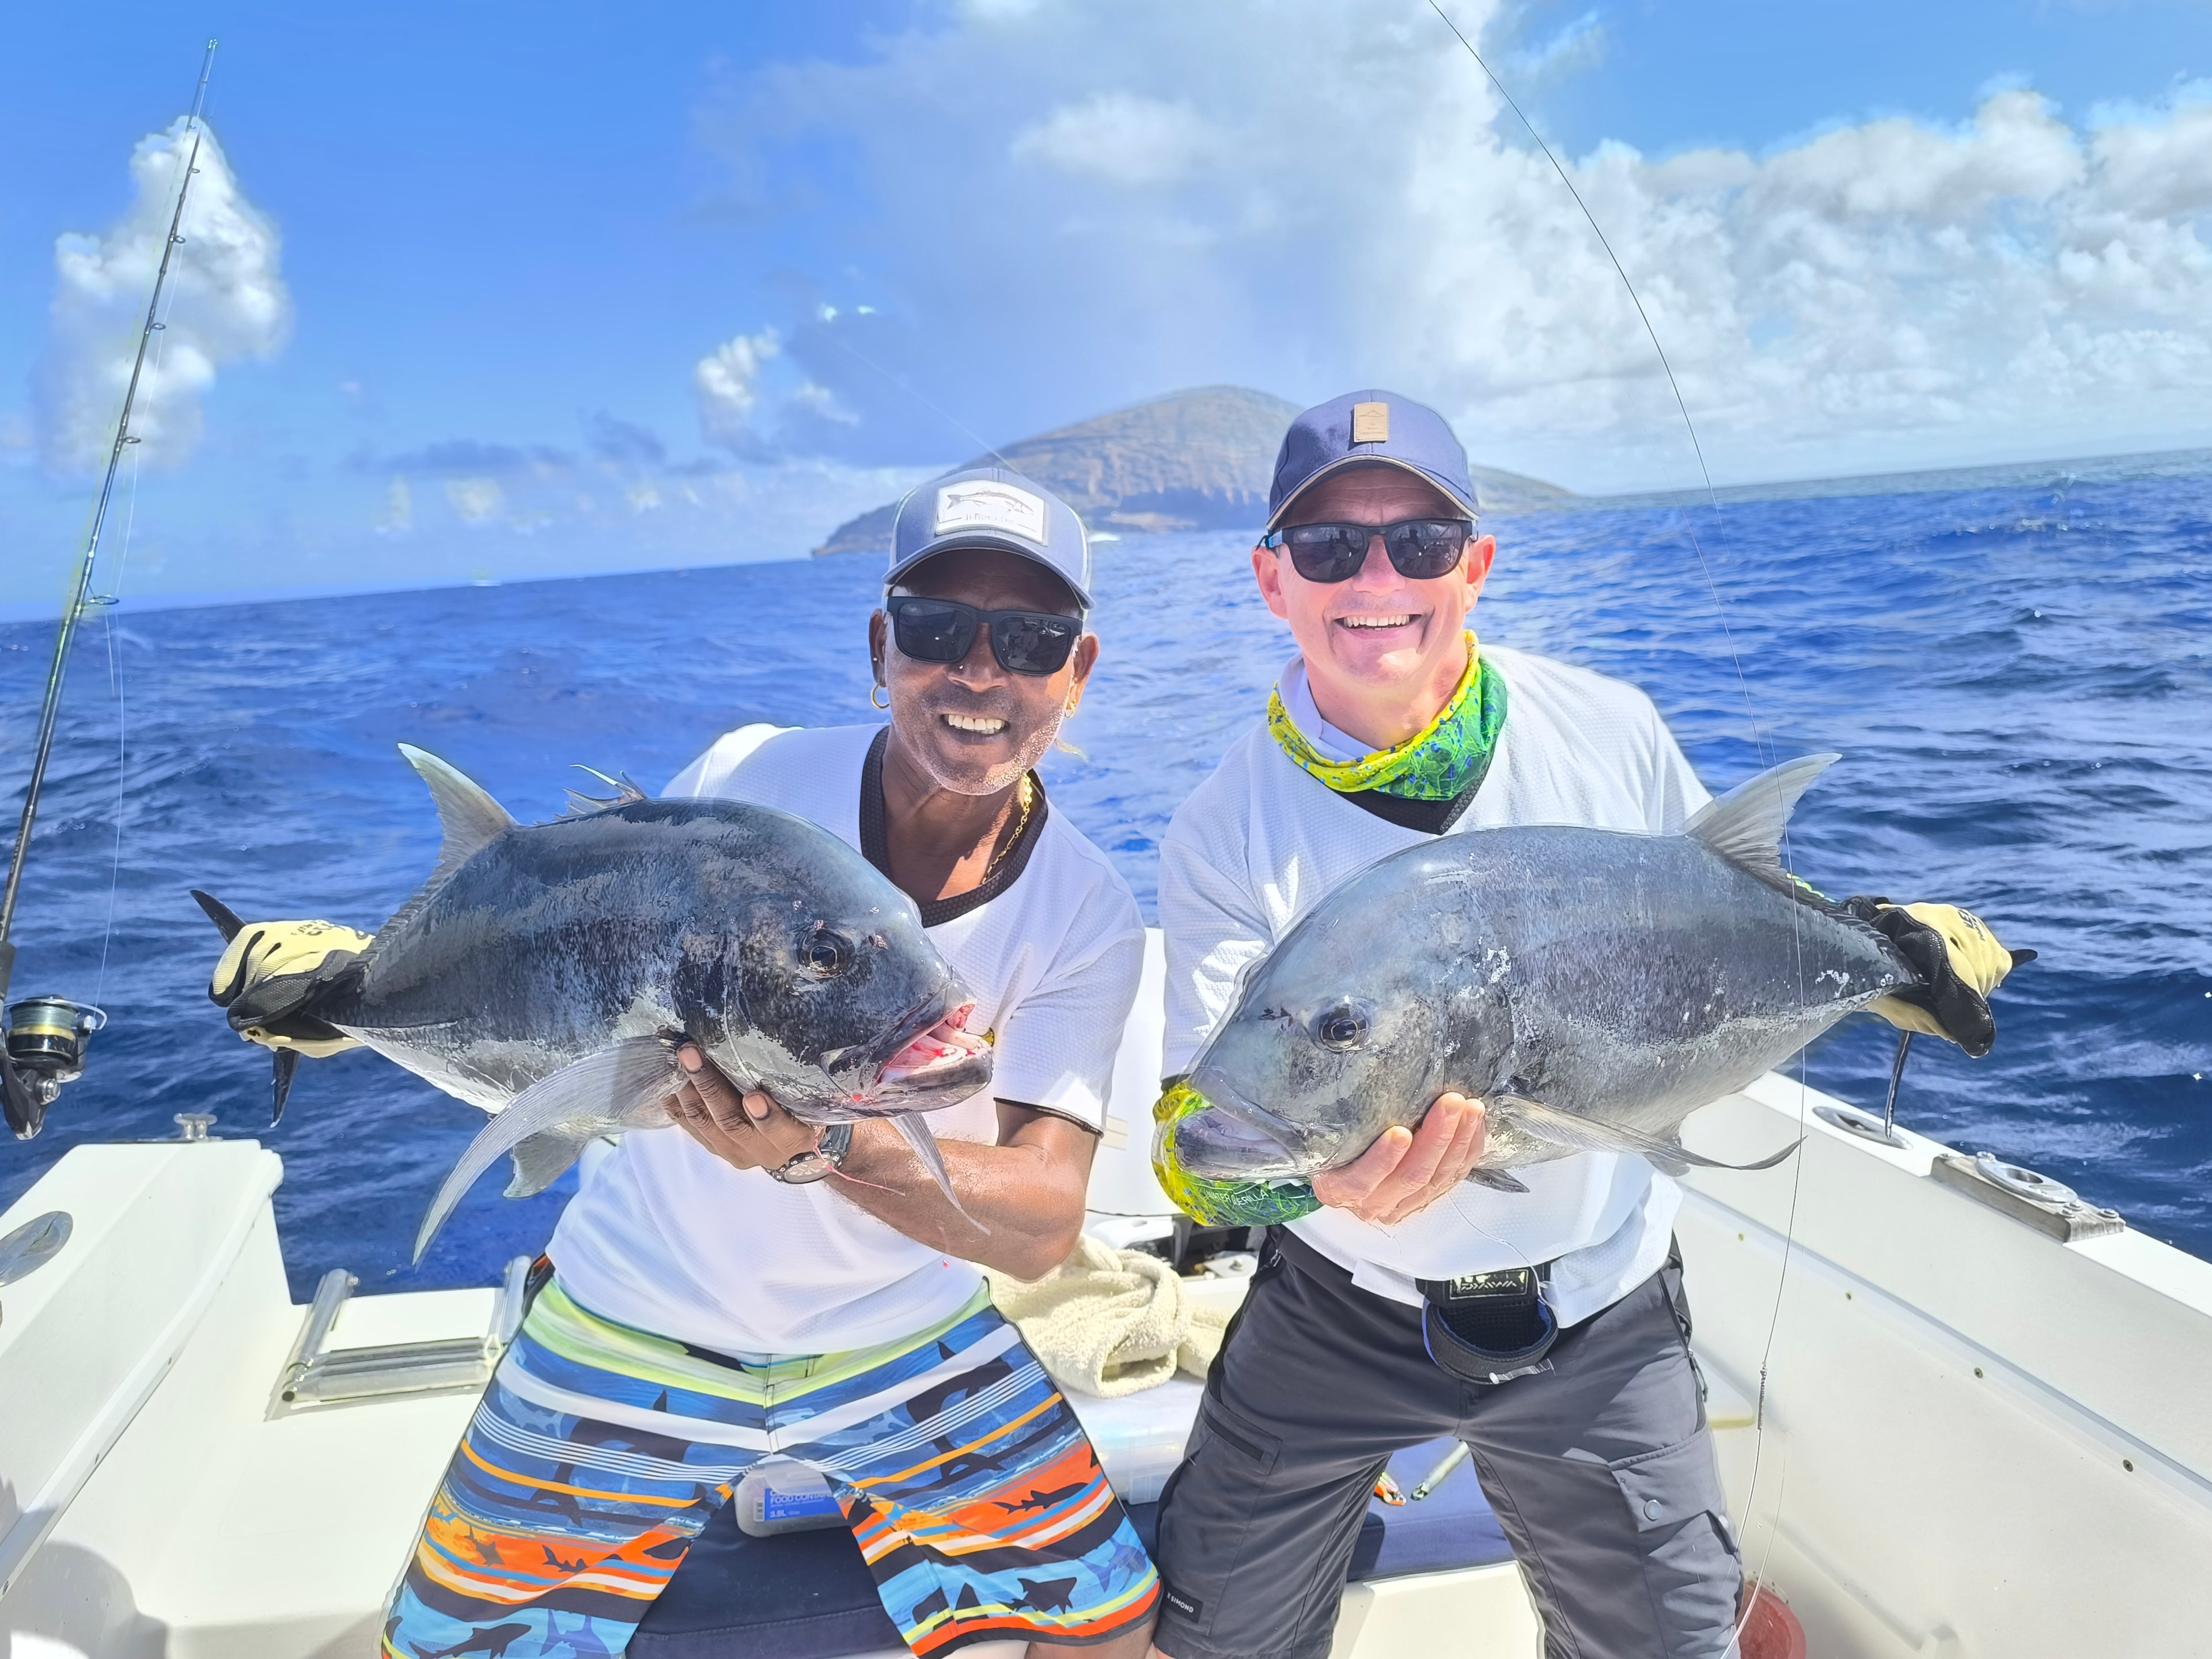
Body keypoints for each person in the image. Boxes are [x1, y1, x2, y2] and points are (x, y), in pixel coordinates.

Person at [211, 467, 1161, 1659]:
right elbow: (558, 926)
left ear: (1078, 672)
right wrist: (352, 990)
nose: (981, 672)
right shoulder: (754, 778)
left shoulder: (1088, 911)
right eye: (936, 629)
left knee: (1116, 1632)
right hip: (631, 1310)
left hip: (905, 1332)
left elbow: (1040, 1224)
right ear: (882, 648)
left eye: (1030, 638)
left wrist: (826, 1143)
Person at [1143, 392, 2021, 1659]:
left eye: (1421, 545)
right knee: (1205, 1638)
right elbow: (1194, 1136)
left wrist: (1880, 954)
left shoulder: (1608, 732)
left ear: (1478, 567)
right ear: (1271, 580)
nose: (1375, 577)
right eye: (1331, 548)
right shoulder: (1223, 829)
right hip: (1340, 1303)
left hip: (1596, 1304)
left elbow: (1732, 909)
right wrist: (1313, 1193)